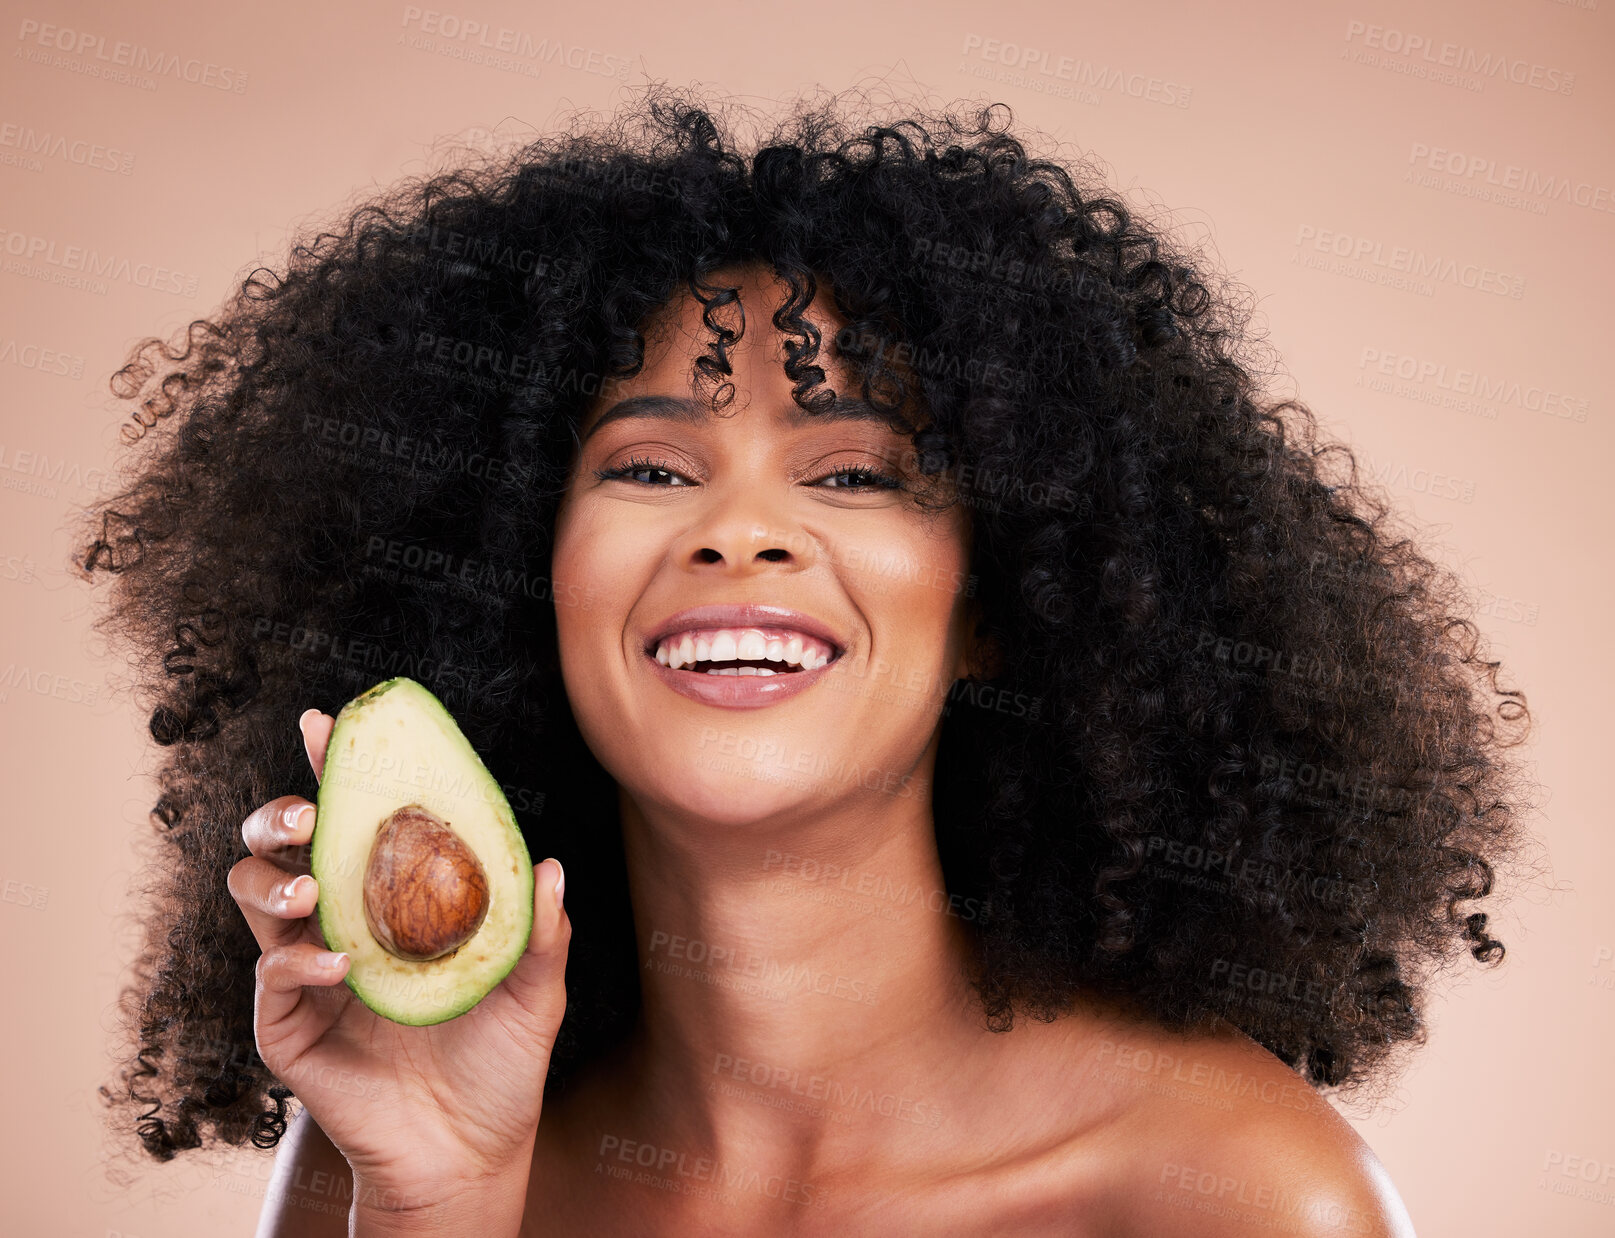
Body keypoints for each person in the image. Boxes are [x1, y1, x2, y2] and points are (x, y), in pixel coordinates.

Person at [78, 87, 1529, 1237]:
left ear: (1002, 598)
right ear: (533, 574)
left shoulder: (1232, 1194)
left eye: (852, 477)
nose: (742, 533)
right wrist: (439, 1196)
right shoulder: (391, 1151)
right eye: (649, 467)